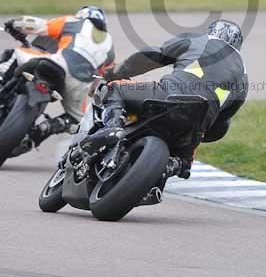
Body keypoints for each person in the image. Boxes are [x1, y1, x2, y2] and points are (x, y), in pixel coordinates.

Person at [81, 18, 248, 178]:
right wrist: (204, 128)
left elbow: (153, 56)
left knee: (115, 89)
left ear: (212, 31)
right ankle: (175, 165)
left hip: (168, 94)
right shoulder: (243, 75)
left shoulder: (199, 39)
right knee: (183, 161)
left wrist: (116, 73)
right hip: (197, 123)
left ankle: (112, 128)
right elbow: (224, 121)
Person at [0, 5, 115, 150]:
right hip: (79, 86)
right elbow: (103, 80)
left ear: (82, 15)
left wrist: (13, 24)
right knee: (77, 121)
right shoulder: (109, 46)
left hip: (58, 63)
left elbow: (36, 25)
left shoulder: (74, 22)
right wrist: (93, 91)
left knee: (14, 54)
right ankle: (44, 129)